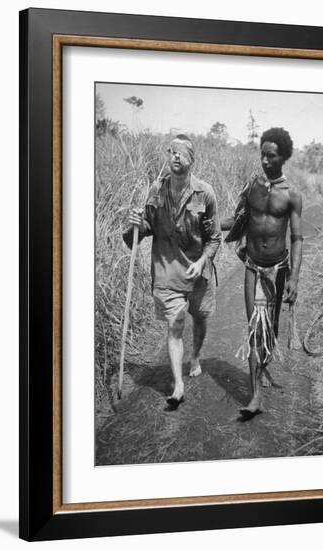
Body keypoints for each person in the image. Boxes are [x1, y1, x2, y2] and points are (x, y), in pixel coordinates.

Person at [123, 135, 221, 409]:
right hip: (167, 270)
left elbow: (214, 238)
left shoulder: (205, 193)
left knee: (199, 319)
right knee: (175, 325)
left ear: (192, 159)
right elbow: (142, 232)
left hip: (197, 271)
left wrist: (203, 262)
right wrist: (136, 225)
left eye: (182, 152)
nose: (176, 156)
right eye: (172, 151)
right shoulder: (156, 190)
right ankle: (178, 385)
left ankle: (197, 355)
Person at [220, 127, 303, 419]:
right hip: (253, 267)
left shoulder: (292, 195)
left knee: (272, 329)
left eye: (271, 156)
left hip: (278, 270)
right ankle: (255, 395)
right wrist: (207, 222)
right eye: (262, 155)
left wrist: (294, 278)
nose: (265, 161)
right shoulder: (252, 187)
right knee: (256, 328)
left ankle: (263, 368)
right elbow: (236, 219)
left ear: (283, 157)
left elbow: (297, 238)